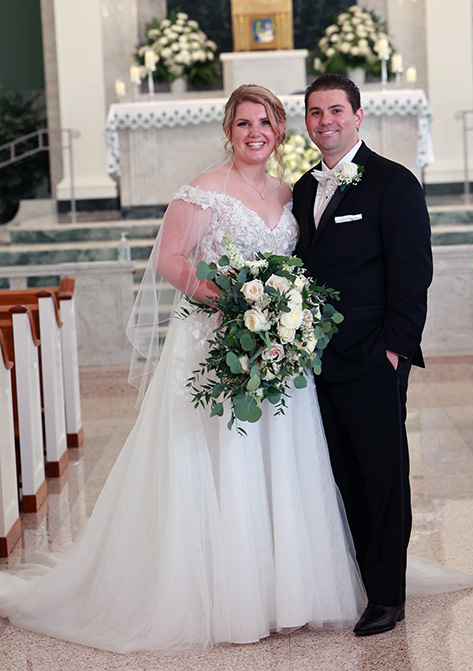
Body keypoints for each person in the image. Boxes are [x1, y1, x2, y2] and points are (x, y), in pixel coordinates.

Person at [0, 85, 366, 654]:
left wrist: (277, 314)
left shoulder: (286, 191)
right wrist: (228, 300)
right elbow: (171, 258)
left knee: (279, 460)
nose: (255, 133)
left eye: (265, 123)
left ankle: (284, 593)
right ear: (229, 129)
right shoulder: (202, 191)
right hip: (215, 342)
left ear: (279, 130)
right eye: (244, 123)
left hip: (275, 349)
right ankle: (228, 596)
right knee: (222, 459)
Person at [293, 73, 434, 636]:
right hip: (317, 363)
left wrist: (395, 351)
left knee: (382, 477)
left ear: (357, 116)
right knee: (343, 475)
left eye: (335, 111)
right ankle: (360, 576)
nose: (325, 122)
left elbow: (412, 274)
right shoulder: (303, 188)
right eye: (314, 113)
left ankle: (388, 596)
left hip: (374, 358)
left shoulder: (393, 182)